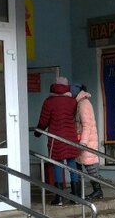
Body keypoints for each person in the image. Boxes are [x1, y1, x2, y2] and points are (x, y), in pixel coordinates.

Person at [34, 76, 80, 205]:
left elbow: (44, 120)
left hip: (56, 138)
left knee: (57, 164)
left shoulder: (49, 101)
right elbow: (73, 117)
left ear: (55, 86)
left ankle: (59, 198)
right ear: (67, 86)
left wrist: (38, 131)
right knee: (72, 163)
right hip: (70, 137)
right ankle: (75, 196)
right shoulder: (73, 101)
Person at [73, 84, 104, 200]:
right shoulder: (81, 102)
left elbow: (87, 126)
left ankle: (97, 190)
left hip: (86, 141)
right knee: (79, 165)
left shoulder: (83, 104)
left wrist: (83, 143)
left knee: (89, 166)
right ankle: (78, 190)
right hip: (84, 140)